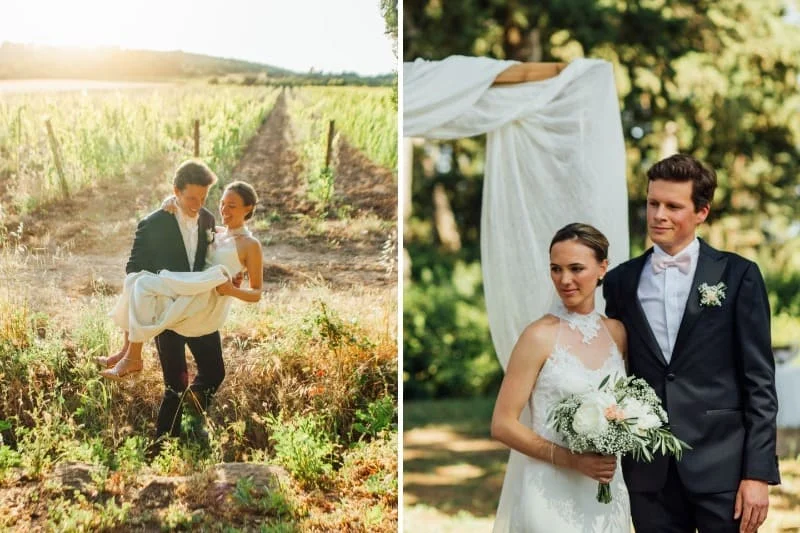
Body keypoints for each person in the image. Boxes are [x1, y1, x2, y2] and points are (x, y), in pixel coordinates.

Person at [603, 153, 780, 533]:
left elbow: (760, 383)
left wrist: (758, 474)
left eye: (672, 206)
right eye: (653, 203)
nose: (658, 215)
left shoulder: (737, 275)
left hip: (723, 467)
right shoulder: (621, 281)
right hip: (649, 469)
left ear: (701, 212)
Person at [95, 160, 260, 445]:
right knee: (175, 385)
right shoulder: (154, 223)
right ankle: (164, 443)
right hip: (169, 314)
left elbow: (229, 258)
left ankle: (192, 423)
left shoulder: (209, 222)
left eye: (204, 198)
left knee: (214, 372)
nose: (198, 204)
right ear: (176, 192)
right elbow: (133, 270)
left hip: (202, 311)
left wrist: (233, 282)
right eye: (191, 198)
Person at [491, 223, 631, 532]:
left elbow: (627, 408)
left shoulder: (617, 334)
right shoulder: (538, 336)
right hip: (550, 493)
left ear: (602, 268)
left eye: (576, 268)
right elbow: (502, 424)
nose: (564, 280)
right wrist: (571, 460)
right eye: (556, 269)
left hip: (604, 492)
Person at [97, 179, 263, 381]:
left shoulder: (251, 245)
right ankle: (127, 351)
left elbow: (256, 293)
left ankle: (133, 357)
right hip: (191, 286)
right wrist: (173, 201)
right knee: (135, 281)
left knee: (144, 285)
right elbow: (191, 221)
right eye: (222, 203)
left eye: (232, 206)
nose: (224, 210)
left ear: (248, 209)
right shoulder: (216, 231)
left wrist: (231, 289)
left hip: (206, 299)